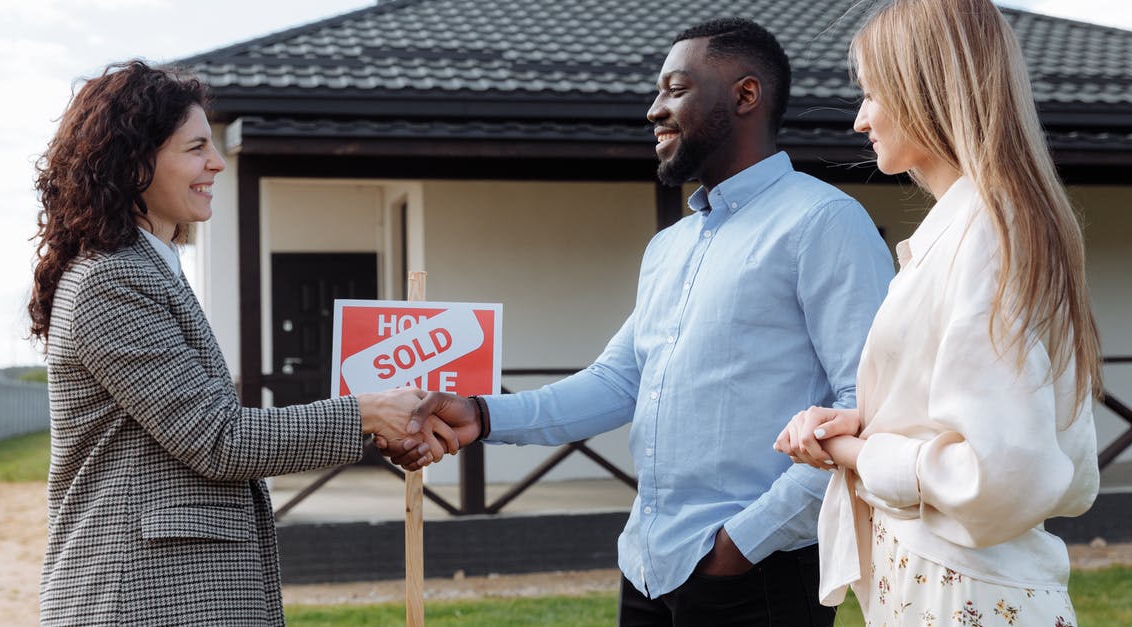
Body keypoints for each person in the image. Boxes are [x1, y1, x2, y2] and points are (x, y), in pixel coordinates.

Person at [380, 18, 894, 626]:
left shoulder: (824, 223)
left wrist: (742, 545)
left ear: (745, 95)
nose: (654, 110)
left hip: (757, 574)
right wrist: (482, 415)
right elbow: (618, 382)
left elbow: (871, 408)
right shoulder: (670, 246)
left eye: (674, 89)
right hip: (648, 567)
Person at [28, 60, 453, 625]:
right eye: (195, 147)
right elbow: (219, 438)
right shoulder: (113, 280)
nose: (217, 163)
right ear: (134, 161)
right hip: (140, 597)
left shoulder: (149, 269)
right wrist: (368, 414)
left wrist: (375, 425)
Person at [774, 1, 1102, 624]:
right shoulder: (985, 224)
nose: (859, 120)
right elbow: (1029, 447)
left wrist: (854, 453)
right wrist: (860, 423)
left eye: (872, 95)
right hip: (946, 583)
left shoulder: (988, 232)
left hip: (962, 592)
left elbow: (1000, 471)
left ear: (925, 90)